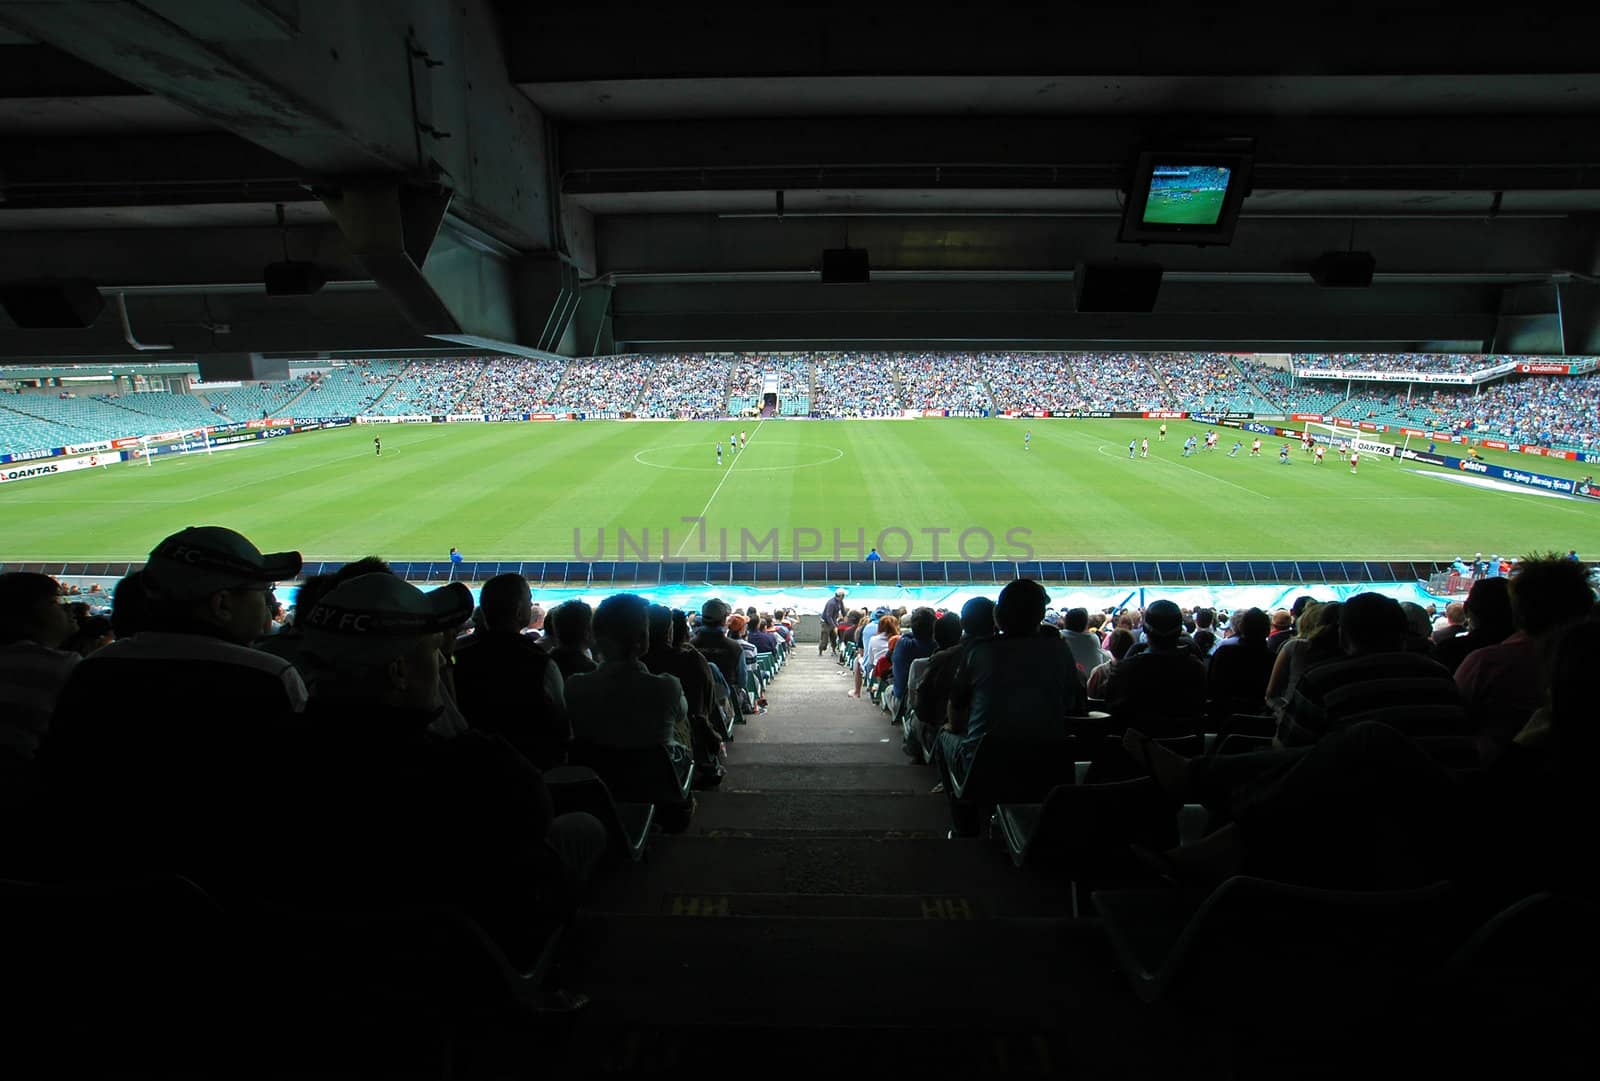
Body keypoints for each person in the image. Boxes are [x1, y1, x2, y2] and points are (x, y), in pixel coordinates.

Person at [820, 587, 847, 655]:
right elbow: (828, 616)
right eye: (843, 595)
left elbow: (843, 611)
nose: (844, 597)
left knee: (834, 636)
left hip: (834, 620)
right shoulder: (831, 603)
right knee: (825, 637)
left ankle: (834, 650)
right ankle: (821, 649)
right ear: (840, 595)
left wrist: (845, 618)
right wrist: (834, 626)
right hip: (826, 621)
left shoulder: (840, 601)